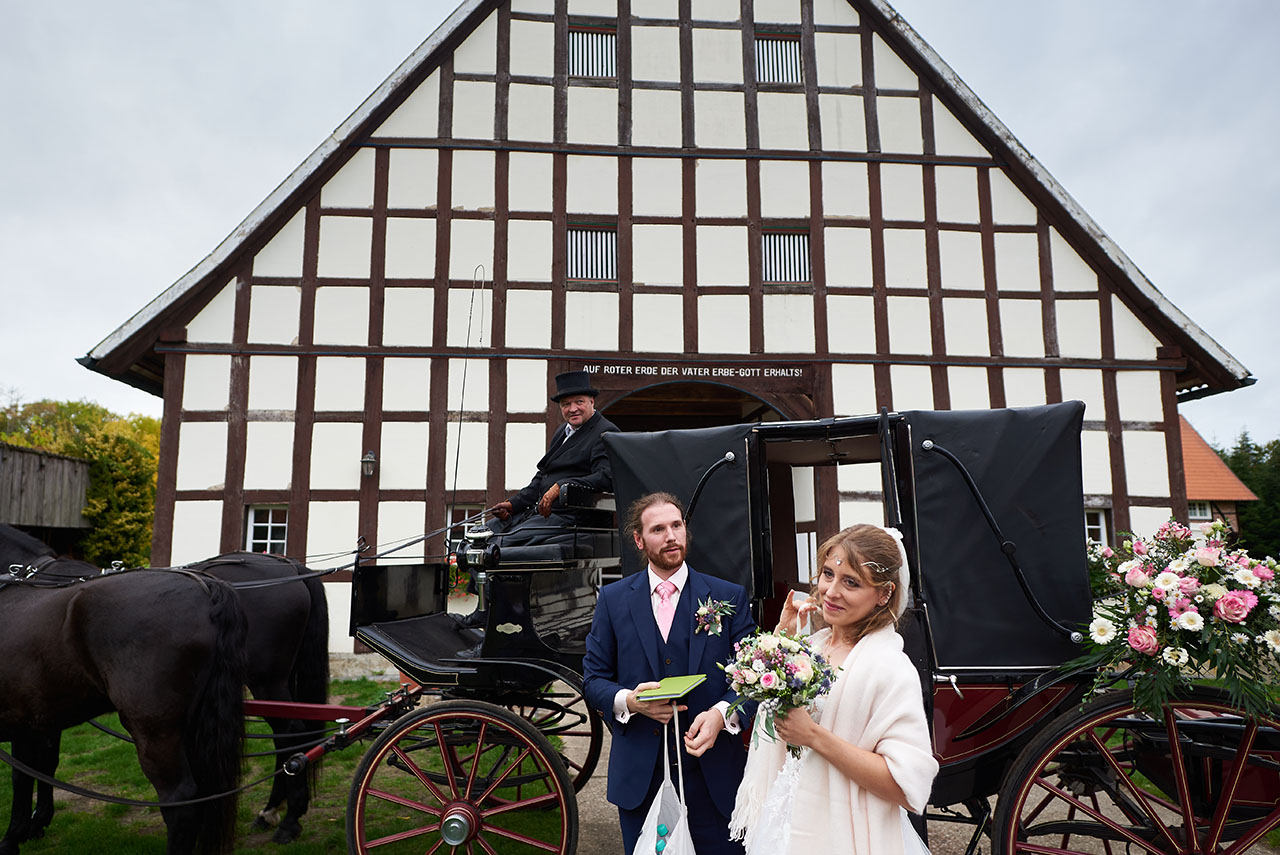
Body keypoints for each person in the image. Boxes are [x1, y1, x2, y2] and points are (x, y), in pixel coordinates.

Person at [729, 524, 938, 855]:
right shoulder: (810, 648)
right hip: (784, 823)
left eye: (851, 582)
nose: (830, 591)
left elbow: (905, 785)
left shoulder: (890, 668)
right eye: (828, 574)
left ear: (884, 594)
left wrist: (814, 736)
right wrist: (780, 644)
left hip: (845, 835)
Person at [583, 493, 756, 855]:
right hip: (641, 781)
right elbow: (594, 679)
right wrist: (631, 701)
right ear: (639, 540)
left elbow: (753, 678)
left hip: (715, 777)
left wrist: (720, 715)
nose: (671, 535)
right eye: (658, 529)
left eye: (676, 525)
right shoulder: (613, 600)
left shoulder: (728, 596)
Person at [488, 369, 619, 547]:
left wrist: (562, 486)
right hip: (545, 515)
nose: (573, 409)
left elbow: (606, 477)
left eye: (579, 402)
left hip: (574, 519)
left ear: (591, 401)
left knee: (500, 545)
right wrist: (513, 504)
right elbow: (543, 476)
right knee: (480, 536)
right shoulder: (561, 432)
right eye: (566, 404)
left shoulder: (605, 432)